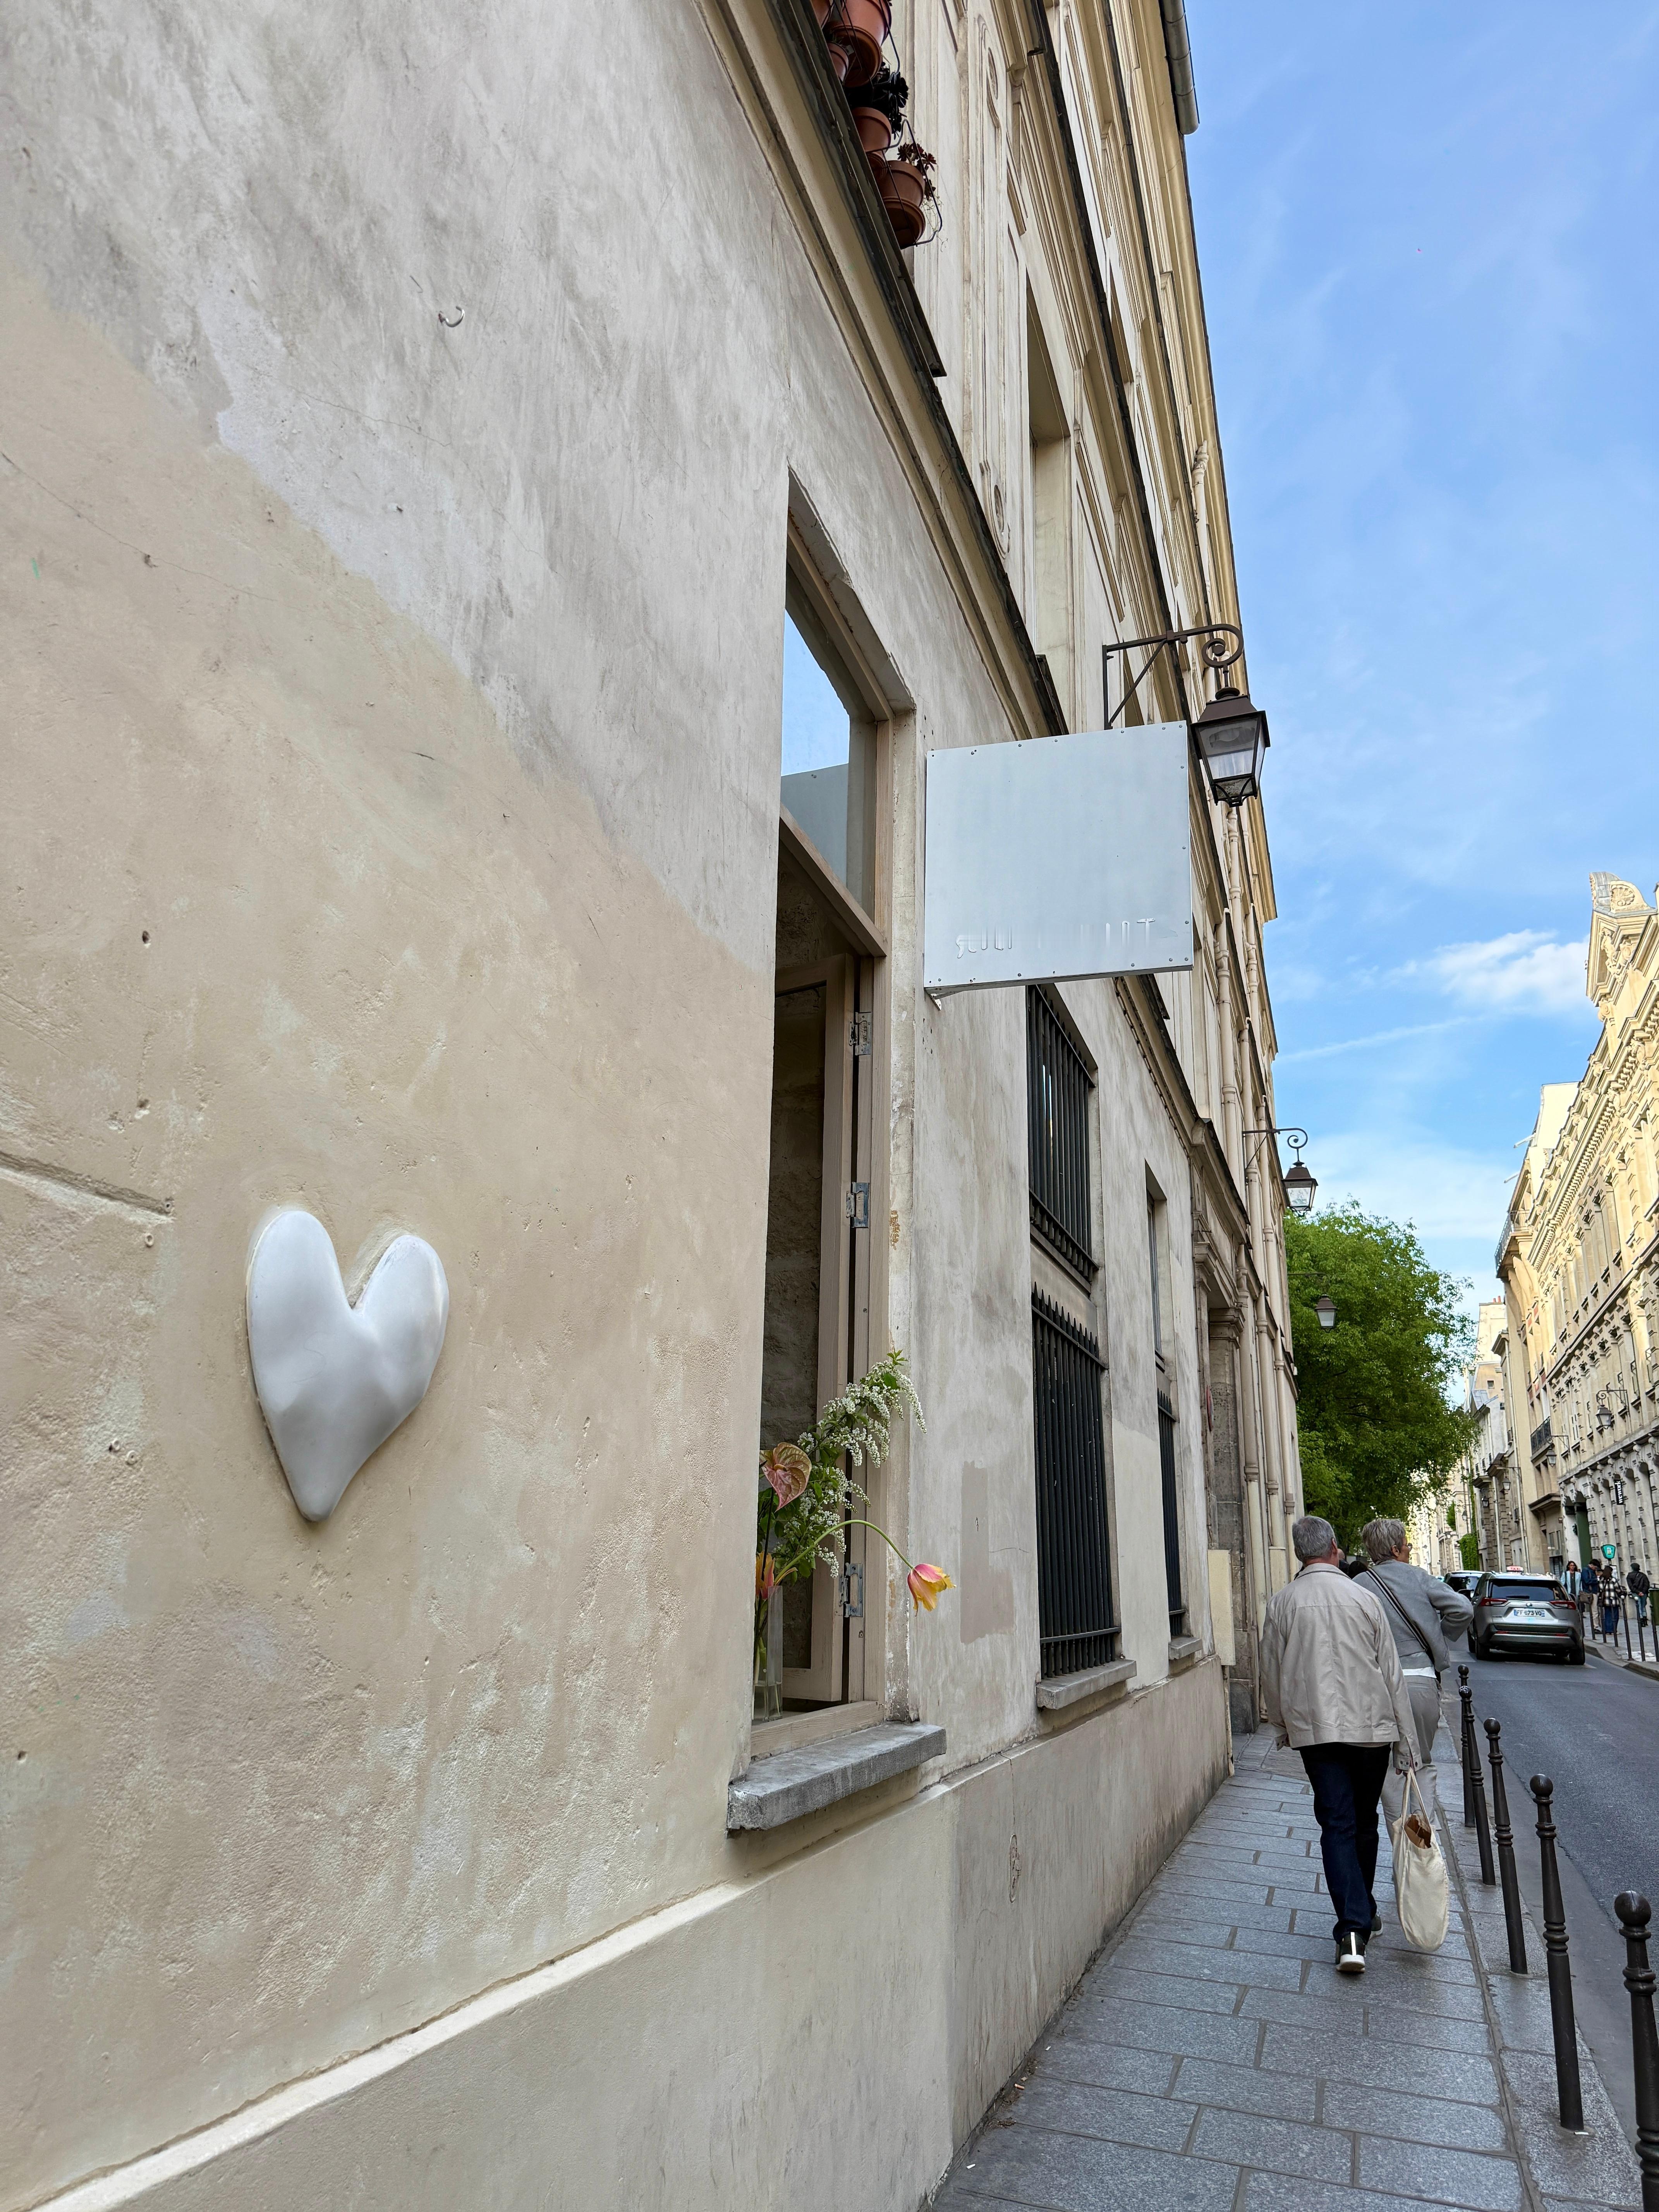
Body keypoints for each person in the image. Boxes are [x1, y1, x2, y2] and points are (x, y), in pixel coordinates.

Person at [1261, 1514, 1420, 1977]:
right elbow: (1391, 1675)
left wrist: (1283, 1725)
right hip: (1372, 1728)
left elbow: (1271, 1673)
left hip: (1317, 1730)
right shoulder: (1365, 1598)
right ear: (1334, 1547)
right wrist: (1406, 1742)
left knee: (1336, 1823)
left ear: (1299, 1553)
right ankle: (1361, 1914)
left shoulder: (1282, 1603)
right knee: (1364, 1821)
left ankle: (1352, 1928)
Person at [1355, 1517, 1473, 1832]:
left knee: (1388, 1771)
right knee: (1418, 1764)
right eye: (1407, 1545)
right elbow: (1463, 1610)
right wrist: (1437, 1635)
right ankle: (1421, 1846)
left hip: (1377, 1686)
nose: (1408, 1550)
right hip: (1419, 1681)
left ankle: (1401, 1845)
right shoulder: (1419, 1578)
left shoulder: (1359, 1584)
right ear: (1396, 1549)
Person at [1630, 1562, 1650, 1629]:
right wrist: (1643, 1592)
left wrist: (1638, 1592)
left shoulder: (1630, 1576)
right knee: (1643, 1606)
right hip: (1644, 1593)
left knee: (1639, 1606)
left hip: (1636, 1593)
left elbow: (1631, 1587)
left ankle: (1641, 1620)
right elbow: (1647, 1584)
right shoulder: (1643, 1575)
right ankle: (1645, 1620)